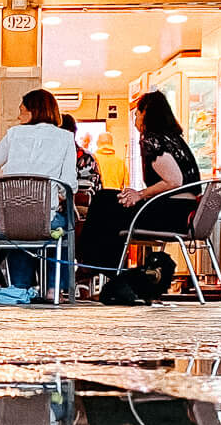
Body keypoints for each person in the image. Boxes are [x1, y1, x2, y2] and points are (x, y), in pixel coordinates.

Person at [0, 88, 78, 300]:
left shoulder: (14, 134)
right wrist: (55, 194)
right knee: (62, 223)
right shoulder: (66, 138)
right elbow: (70, 185)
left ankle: (19, 287)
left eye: (22, 110)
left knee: (20, 222)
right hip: (42, 221)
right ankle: (52, 289)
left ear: (33, 110)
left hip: (1, 221)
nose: (18, 114)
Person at [76, 91, 200, 288]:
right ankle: (96, 267)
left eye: (137, 113)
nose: (135, 118)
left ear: (146, 113)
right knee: (110, 202)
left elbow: (174, 180)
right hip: (184, 211)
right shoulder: (176, 140)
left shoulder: (152, 139)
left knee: (104, 202)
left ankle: (90, 266)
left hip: (171, 214)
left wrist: (140, 194)